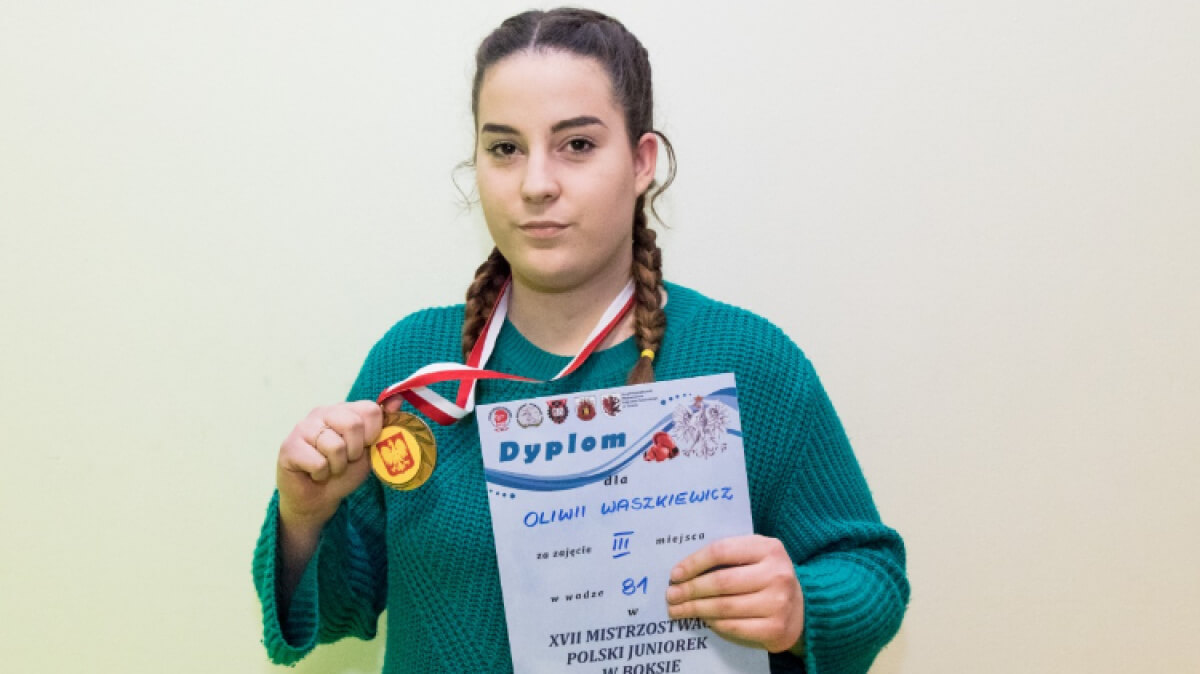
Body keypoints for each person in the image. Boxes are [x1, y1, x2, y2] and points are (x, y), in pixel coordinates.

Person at [252, 8, 908, 673]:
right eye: (505, 149)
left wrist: (801, 607)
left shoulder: (750, 362)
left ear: (642, 162)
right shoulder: (415, 370)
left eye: (577, 145)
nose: (536, 184)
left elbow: (870, 572)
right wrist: (303, 516)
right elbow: (338, 606)